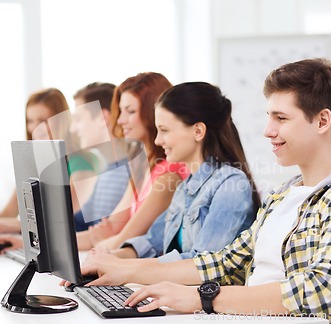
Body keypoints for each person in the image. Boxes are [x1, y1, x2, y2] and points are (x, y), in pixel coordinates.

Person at [71, 58, 331, 323]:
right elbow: (224, 262)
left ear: (323, 121)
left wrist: (201, 298)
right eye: (269, 117)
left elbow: (320, 291)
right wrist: (125, 270)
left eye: (281, 118)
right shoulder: (283, 195)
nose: (268, 131)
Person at [95, 82, 260, 262]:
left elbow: (201, 263)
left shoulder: (231, 185)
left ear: (198, 131)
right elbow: (151, 243)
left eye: (164, 130)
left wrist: (124, 268)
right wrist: (111, 259)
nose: (158, 140)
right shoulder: (185, 187)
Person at [0, 88, 96, 235]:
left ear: (61, 119)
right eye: (30, 120)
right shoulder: (37, 163)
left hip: (78, 249)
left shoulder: (81, 163)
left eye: (43, 120)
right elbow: (9, 213)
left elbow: (60, 218)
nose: (34, 128)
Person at [76, 72, 189, 250]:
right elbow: (109, 230)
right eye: (121, 111)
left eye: (130, 111)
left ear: (154, 113)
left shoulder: (170, 174)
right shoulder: (140, 167)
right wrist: (45, 247)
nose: (120, 120)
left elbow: (125, 239)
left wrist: (99, 247)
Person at [70, 82, 132, 231]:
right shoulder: (104, 170)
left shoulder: (130, 173)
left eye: (78, 119)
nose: (73, 129)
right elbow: (81, 222)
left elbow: (108, 233)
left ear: (102, 118)